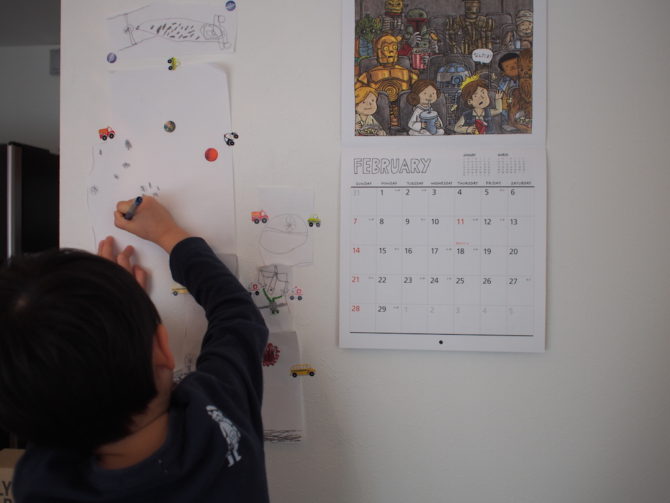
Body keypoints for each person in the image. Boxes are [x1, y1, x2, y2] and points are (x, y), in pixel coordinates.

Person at [0, 196, 270, 502]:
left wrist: (111, 314)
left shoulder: (39, 483)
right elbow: (236, 315)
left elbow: (45, 386)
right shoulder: (218, 417)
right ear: (162, 350)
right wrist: (167, 234)